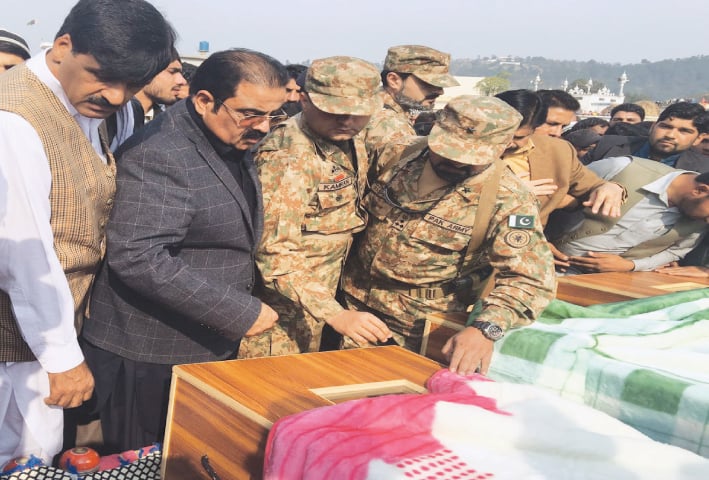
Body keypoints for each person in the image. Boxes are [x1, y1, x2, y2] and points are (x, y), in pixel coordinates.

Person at [81, 48, 284, 452]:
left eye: (274, 115)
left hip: (198, 340)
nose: (263, 127)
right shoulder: (161, 153)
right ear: (204, 100)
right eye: (250, 114)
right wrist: (238, 311)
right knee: (149, 460)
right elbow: (138, 257)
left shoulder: (227, 139)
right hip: (151, 351)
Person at [0, 0, 175, 464]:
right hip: (14, 344)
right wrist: (61, 357)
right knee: (21, 457)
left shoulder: (76, 103)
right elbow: (25, 253)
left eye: (132, 84)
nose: (116, 97)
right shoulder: (14, 119)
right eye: (103, 76)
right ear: (63, 46)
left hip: (36, 339)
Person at [341, 95, 555, 375]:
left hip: (419, 323)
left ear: (502, 148)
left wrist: (485, 328)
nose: (454, 162)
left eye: (470, 157)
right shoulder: (398, 155)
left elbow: (531, 280)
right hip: (347, 302)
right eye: (447, 151)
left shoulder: (509, 199)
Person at [238, 56, 392, 359]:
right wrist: (334, 313)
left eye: (357, 113)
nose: (346, 120)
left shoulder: (348, 139)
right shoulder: (289, 156)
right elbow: (274, 251)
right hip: (282, 314)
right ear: (305, 101)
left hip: (321, 298)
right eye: (334, 111)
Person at [549, 157, 709, 274]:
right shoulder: (622, 168)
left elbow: (677, 252)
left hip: (610, 281)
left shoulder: (700, 218)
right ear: (700, 191)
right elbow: (544, 196)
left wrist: (631, 265)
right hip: (543, 264)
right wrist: (536, 241)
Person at [496, 89, 625, 226]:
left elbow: (590, 185)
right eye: (551, 124)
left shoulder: (559, 151)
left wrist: (611, 188)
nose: (557, 133)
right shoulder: (476, 150)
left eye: (563, 126)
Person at [364, 45, 459, 175]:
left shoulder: (374, 104)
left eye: (440, 85)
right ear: (394, 80)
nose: (440, 91)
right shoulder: (390, 124)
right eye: (429, 83)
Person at [585, 101, 709, 169]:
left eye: (684, 131)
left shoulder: (703, 168)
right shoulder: (608, 144)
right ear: (653, 126)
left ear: (698, 139)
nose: (670, 135)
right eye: (665, 126)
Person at [129, 47, 186, 129]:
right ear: (146, 71)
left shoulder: (168, 125)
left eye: (180, 73)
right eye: (172, 72)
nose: (182, 81)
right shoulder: (111, 119)